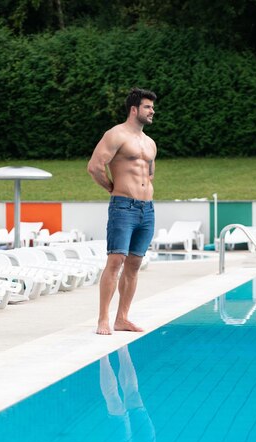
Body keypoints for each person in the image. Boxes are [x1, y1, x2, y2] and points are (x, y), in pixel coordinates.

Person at [87, 87, 157, 335]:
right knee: (116, 261)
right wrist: (111, 188)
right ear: (134, 109)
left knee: (135, 264)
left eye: (152, 107)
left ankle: (122, 318)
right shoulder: (115, 134)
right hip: (123, 206)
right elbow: (95, 166)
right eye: (148, 107)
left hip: (146, 210)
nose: (152, 111)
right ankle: (103, 319)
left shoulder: (150, 143)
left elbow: (149, 173)